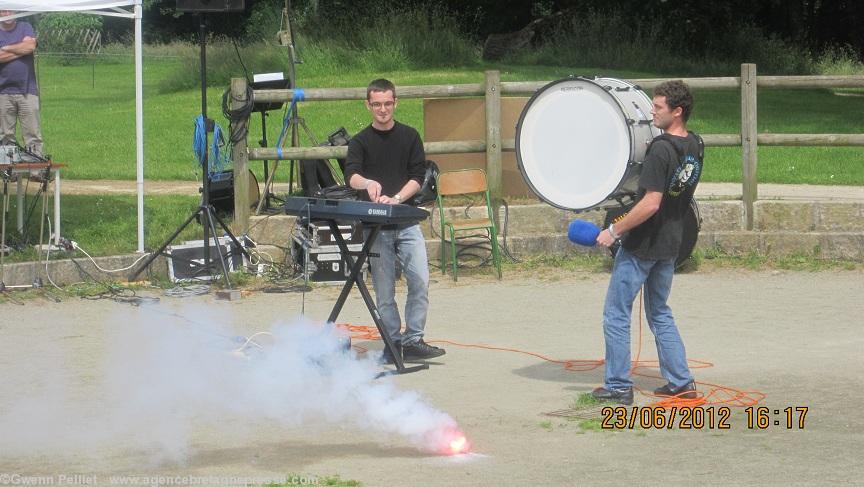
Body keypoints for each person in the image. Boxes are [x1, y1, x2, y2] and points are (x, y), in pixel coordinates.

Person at [592, 80, 703, 405]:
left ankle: (617, 386)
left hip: (642, 245)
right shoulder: (696, 144)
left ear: (677, 111)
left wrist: (614, 231)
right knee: (660, 312)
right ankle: (681, 382)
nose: (652, 112)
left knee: (616, 313)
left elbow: (651, 202)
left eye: (658, 107)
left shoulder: (660, 149)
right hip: (671, 242)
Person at [344, 78, 445, 363]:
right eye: (377, 104)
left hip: (406, 220)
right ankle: (392, 341)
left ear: (395, 103)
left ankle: (413, 339)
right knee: (384, 290)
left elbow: (418, 176)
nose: (383, 109)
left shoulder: (410, 136)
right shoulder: (360, 141)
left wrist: (397, 198)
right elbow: (350, 174)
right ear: (368, 105)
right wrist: (367, 183)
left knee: (420, 281)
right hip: (376, 227)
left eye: (388, 103)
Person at [0, 10, 42, 156]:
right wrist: (20, 49)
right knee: (6, 136)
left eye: (10, 10)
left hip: (27, 90)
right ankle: (9, 172)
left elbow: (30, 47)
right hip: (3, 92)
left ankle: (36, 170)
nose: (7, 14)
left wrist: (6, 48)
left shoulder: (25, 26)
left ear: (16, 11)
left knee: (32, 134)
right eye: (3, 11)